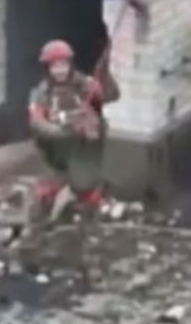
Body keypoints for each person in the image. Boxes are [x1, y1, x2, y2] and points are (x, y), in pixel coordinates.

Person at [22, 39, 120, 275]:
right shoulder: (40, 94)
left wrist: (106, 73)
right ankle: (30, 254)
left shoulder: (86, 86)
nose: (60, 70)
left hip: (84, 158)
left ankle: (91, 261)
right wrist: (63, 131)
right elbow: (37, 123)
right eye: (54, 66)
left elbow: (110, 95)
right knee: (40, 205)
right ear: (47, 68)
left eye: (63, 64)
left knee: (90, 208)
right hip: (55, 159)